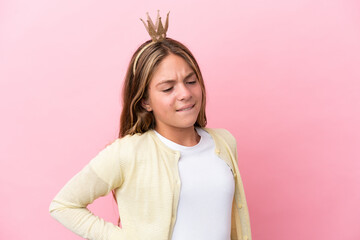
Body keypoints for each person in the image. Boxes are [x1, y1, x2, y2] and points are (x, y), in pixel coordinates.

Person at [49, 11, 251, 240]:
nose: (185, 93)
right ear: (145, 101)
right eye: (168, 88)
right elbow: (63, 205)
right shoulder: (127, 153)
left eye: (191, 81)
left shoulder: (224, 142)